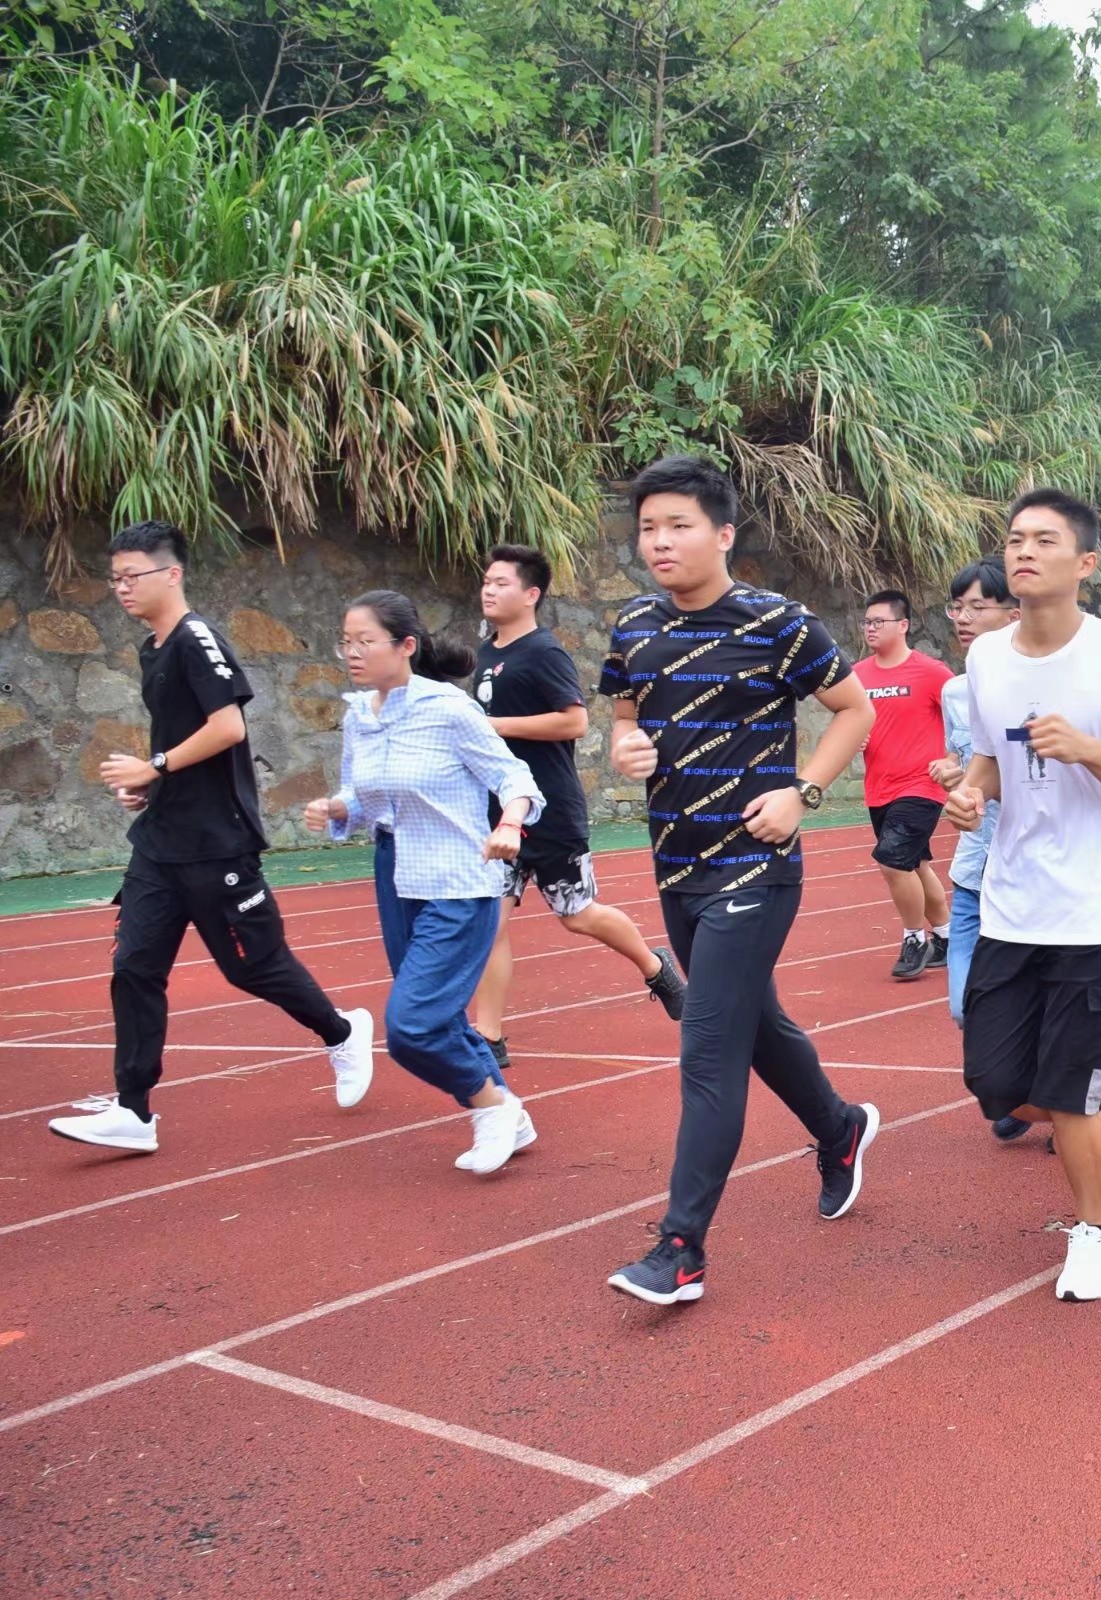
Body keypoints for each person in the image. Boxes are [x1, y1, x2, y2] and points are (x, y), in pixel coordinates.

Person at [599, 456, 882, 1307]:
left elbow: (855, 710)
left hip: (755, 864)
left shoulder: (777, 623)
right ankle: (838, 1127)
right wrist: (624, 748)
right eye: (648, 528)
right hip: (675, 861)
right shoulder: (632, 626)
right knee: (753, 1026)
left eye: (678, 526)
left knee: (707, 1047)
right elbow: (622, 718)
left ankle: (680, 1249)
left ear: (723, 534)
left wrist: (803, 795)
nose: (660, 542)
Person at [51, 522, 374, 1155]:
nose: (122, 588)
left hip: (216, 842)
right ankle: (133, 1109)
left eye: (132, 576)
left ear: (171, 574)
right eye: (114, 578)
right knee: (134, 968)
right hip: (160, 843)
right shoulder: (153, 647)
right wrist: (151, 788)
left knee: (250, 967)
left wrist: (155, 766)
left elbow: (228, 727)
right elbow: (184, 741)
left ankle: (340, 1033)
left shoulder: (197, 639)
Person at [944, 488, 1101, 1303]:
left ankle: (1093, 1234)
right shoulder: (986, 658)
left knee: (1066, 1091)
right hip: (1014, 901)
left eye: (1045, 540)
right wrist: (970, 792)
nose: (1023, 551)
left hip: (1099, 906)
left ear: (1084, 563)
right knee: (995, 1085)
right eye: (1015, 538)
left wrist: (1086, 749)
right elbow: (989, 758)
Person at [303, 590, 543, 1173]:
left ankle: (491, 1108)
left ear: (405, 645)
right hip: (395, 874)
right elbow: (363, 795)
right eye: (345, 642)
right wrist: (338, 808)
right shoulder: (360, 715)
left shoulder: (449, 710)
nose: (352, 652)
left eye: (365, 641)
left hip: (457, 878)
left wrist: (510, 824)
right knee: (439, 1016)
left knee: (411, 1026)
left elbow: (514, 777)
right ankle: (507, 1113)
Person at [467, 545, 683, 1068]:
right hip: (500, 813)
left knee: (579, 916)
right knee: (489, 924)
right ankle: (489, 1036)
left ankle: (655, 966)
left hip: (551, 813)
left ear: (530, 594)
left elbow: (575, 721)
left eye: (501, 583)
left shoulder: (544, 652)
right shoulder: (486, 653)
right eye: (486, 582)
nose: (489, 590)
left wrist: (493, 726)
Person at [930, 559, 1018, 1060]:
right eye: (957, 607)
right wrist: (952, 772)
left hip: (1027, 872)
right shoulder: (955, 691)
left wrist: (980, 785)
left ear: (1013, 615)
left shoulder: (1041, 690)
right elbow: (961, 758)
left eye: (977, 607)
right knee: (965, 1007)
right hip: (972, 871)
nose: (962, 618)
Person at [854, 590, 955, 980]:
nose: (871, 628)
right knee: (916, 865)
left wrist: (952, 758)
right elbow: (850, 720)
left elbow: (965, 718)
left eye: (879, 622)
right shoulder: (858, 675)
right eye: (867, 622)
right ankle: (946, 936)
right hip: (879, 787)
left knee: (892, 860)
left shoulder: (931, 672)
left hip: (922, 786)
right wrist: (855, 736)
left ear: (903, 625)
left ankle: (915, 938)